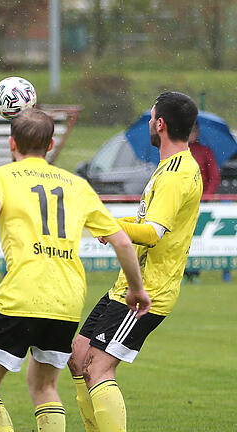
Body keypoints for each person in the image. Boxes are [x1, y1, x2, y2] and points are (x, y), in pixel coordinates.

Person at [0, 108, 150, 432]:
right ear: (50, 146)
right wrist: (136, 289)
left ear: (11, 144)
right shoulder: (76, 185)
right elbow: (120, 240)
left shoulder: (0, 177)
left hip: (21, 297)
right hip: (65, 302)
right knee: (45, 388)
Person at [68, 92, 202, 432]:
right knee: (79, 356)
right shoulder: (172, 166)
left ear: (161, 124)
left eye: (151, 118)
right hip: (126, 285)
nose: (148, 125)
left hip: (148, 291)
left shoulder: (176, 173)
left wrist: (110, 227)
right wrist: (116, 225)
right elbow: (148, 220)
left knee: (98, 367)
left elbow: (153, 232)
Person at [183, 120, 220, 282]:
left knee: (197, 239)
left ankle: (195, 272)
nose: (192, 134)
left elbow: (214, 176)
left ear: (197, 132)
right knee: (181, 238)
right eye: (188, 131)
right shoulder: (178, 152)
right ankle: (182, 272)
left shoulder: (205, 151)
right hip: (181, 203)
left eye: (194, 131)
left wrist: (207, 196)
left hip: (200, 203)